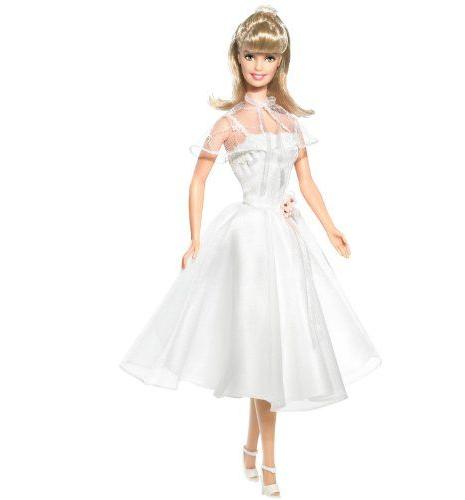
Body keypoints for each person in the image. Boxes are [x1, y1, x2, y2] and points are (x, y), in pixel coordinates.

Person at [120, 5, 381, 496]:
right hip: (246, 242)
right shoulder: (229, 124)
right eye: (250, 56)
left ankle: (248, 448)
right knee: (261, 345)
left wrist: (331, 229)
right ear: (237, 58)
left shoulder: (289, 123)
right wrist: (194, 238)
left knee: (273, 345)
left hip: (284, 241)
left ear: (282, 62)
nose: (259, 65)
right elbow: (197, 180)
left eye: (268, 57)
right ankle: (270, 467)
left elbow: (307, 182)